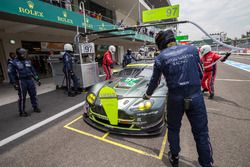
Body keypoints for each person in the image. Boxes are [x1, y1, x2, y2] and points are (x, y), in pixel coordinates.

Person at [143, 30, 213, 167]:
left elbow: (154, 82)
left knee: (174, 129)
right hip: (195, 96)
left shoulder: (160, 58)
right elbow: (200, 73)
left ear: (161, 43)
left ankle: (174, 157)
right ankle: (206, 163)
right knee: (201, 133)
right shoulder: (192, 49)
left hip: (175, 98)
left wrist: (147, 95)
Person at [8, 48, 41, 117]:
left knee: (33, 94)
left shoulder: (28, 61)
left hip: (30, 80)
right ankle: (22, 111)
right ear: (19, 54)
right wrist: (14, 83)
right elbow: (11, 74)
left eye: (25, 53)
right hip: (21, 81)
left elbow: (33, 71)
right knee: (22, 97)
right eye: (23, 54)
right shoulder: (13, 63)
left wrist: (37, 79)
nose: (24, 55)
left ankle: (35, 107)